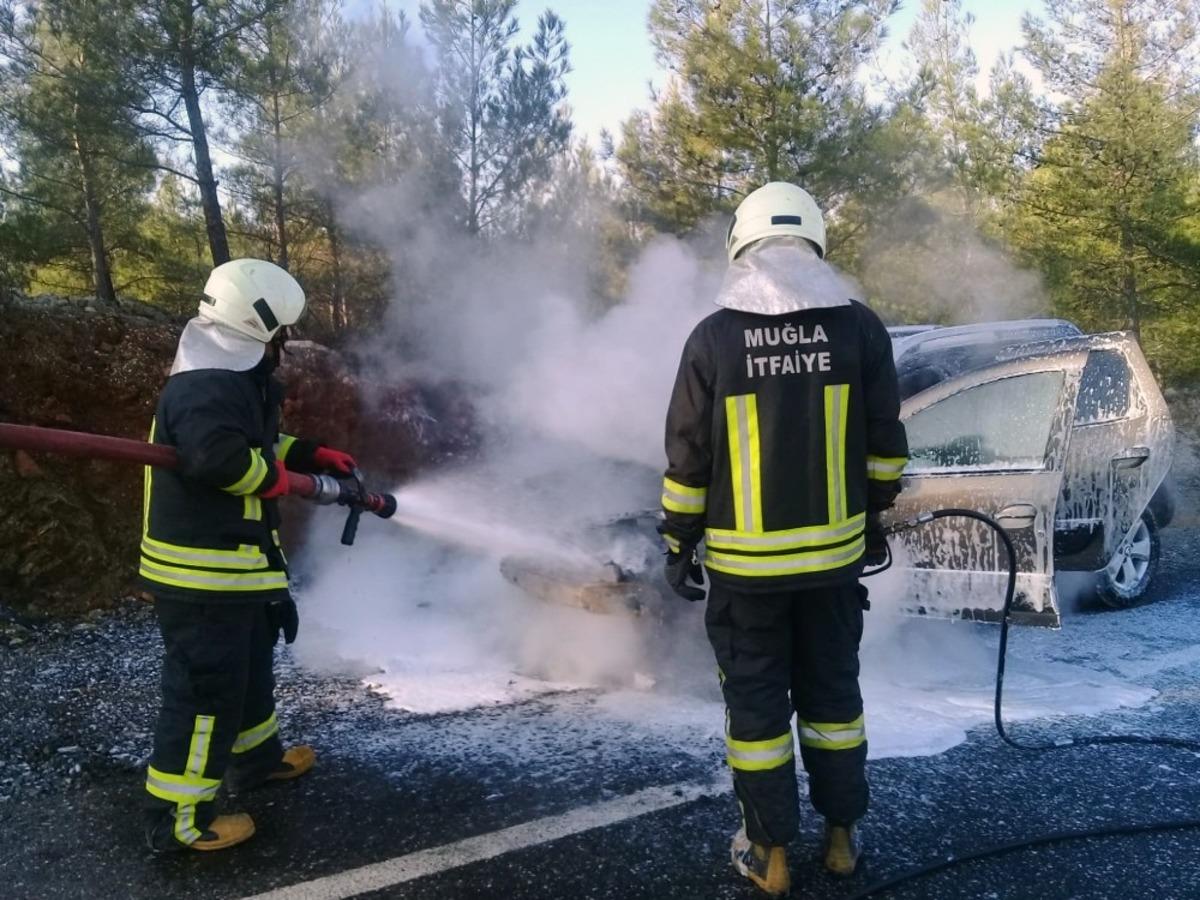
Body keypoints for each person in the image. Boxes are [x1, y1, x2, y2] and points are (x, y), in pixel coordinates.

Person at [659, 183, 908, 895]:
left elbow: (688, 460)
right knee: (834, 700)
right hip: (833, 567)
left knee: (760, 712)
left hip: (745, 577)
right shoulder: (860, 328)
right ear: (817, 244)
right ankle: (840, 839)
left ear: (742, 246)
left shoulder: (712, 338)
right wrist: (874, 516)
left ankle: (767, 855)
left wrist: (678, 542)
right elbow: (886, 447)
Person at [141, 258, 359, 852]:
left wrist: (309, 454)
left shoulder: (229, 377)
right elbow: (219, 458)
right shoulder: (203, 384)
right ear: (258, 325)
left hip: (238, 569)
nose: (285, 343)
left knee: (249, 670)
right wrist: (280, 480)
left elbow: (252, 442)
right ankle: (179, 818)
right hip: (203, 574)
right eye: (281, 332)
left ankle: (255, 761)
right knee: (206, 693)